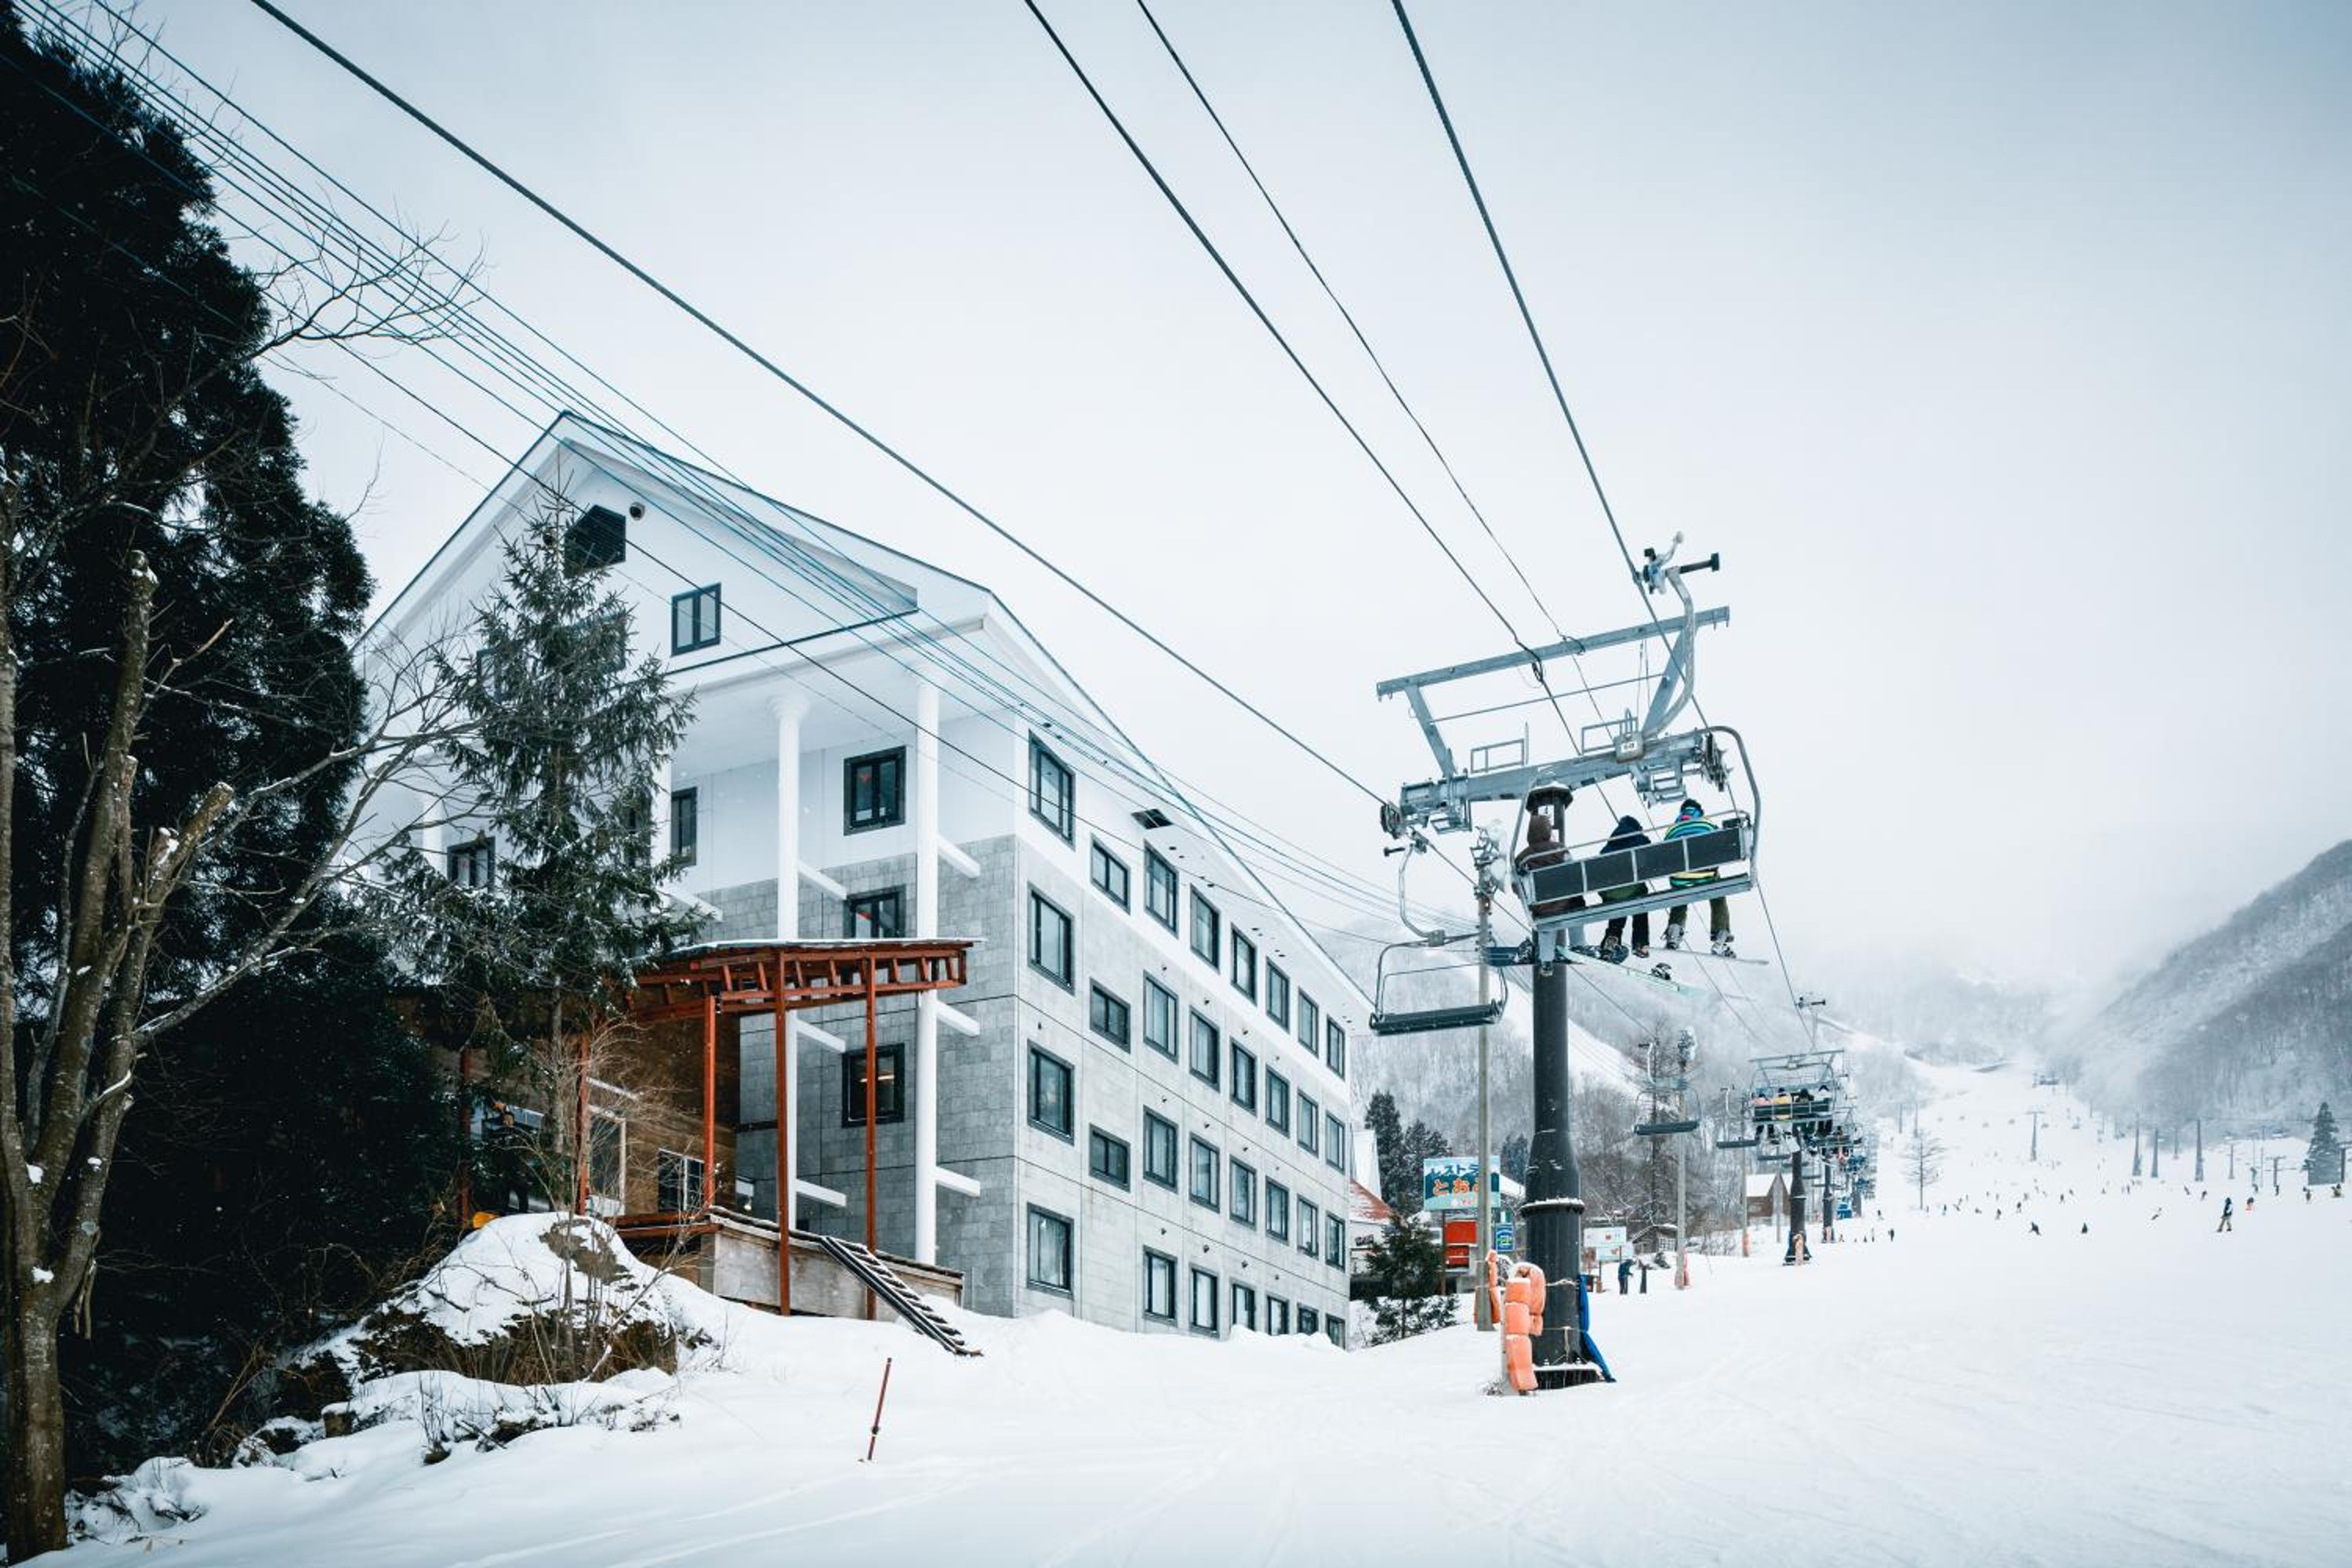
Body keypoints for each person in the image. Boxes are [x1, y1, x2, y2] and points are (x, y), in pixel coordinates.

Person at [1662, 797, 1736, 956]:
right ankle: (1720, 934)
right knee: (1718, 894)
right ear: (1699, 811)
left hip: (1680, 877)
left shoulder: (1672, 829)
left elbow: (1664, 853)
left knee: (1679, 895)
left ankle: (1674, 933)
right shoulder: (1706, 824)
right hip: (1705, 874)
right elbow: (1721, 843)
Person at [1595, 815, 1653, 962]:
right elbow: (1652, 861)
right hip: (1632, 889)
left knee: (1618, 906)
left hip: (1610, 892)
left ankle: (1611, 940)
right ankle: (1641, 943)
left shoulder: (1608, 846)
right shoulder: (1641, 840)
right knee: (1641, 902)